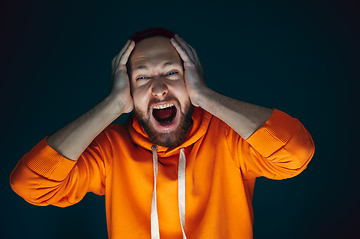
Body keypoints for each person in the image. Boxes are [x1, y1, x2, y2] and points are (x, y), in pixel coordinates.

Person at [10, 27, 315, 239]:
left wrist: (206, 96)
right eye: (142, 77)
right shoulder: (110, 151)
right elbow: (29, 184)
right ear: (127, 88)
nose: (158, 89)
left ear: (191, 80)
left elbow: (297, 153)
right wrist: (113, 105)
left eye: (172, 72)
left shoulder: (229, 138)